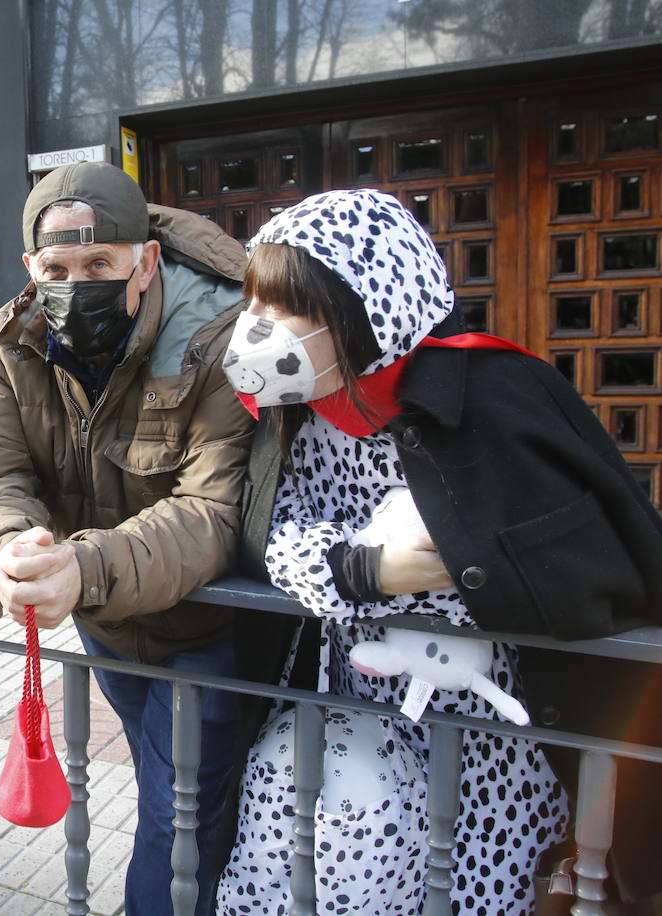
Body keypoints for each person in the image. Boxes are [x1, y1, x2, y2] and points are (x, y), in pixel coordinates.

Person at [208, 188, 659, 912]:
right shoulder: (298, 414)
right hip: (355, 695)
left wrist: (472, 563)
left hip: (490, 725)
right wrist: (360, 572)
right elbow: (271, 530)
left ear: (364, 307)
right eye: (253, 302)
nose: (253, 328)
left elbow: (583, 567)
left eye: (282, 307)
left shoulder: (502, 393)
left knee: (481, 882)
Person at [0, 160, 257, 915]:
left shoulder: (218, 338)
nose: (74, 283)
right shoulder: (7, 340)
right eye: (55, 266)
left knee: (173, 822)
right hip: (111, 625)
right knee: (186, 803)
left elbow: (212, 510)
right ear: (31, 267)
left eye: (99, 264)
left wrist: (82, 567)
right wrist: (8, 547)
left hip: (205, 630)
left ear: (145, 262)